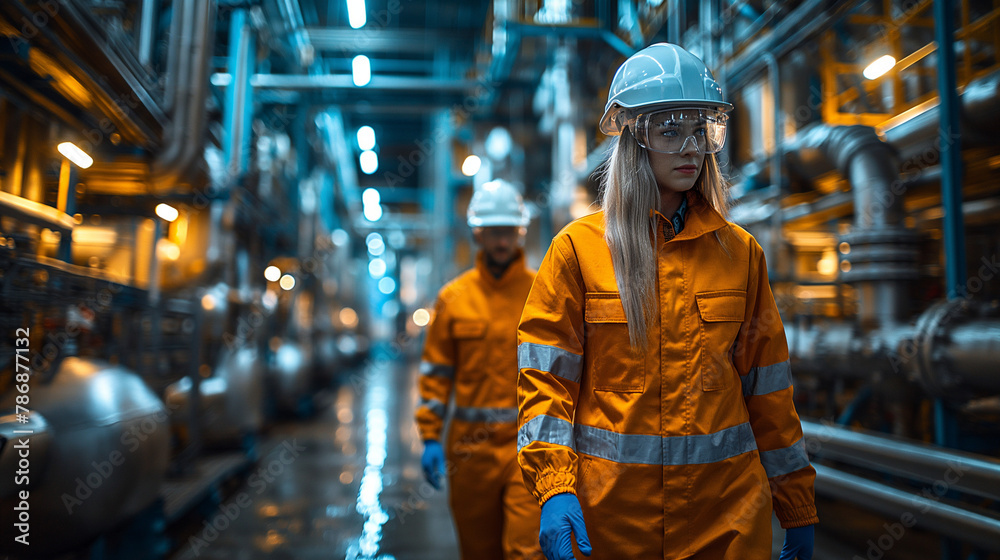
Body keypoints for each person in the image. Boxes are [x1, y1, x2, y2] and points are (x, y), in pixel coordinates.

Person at [515, 43, 818, 560]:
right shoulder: (577, 252)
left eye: (701, 131)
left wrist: (796, 502)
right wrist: (554, 486)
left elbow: (769, 391)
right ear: (634, 137)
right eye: (670, 130)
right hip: (612, 522)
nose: (690, 148)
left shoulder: (740, 253)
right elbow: (546, 382)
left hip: (725, 520)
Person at [416, 179, 544, 560]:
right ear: (477, 234)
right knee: (478, 551)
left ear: (520, 232)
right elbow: (437, 372)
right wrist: (430, 436)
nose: (502, 242)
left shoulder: (542, 292)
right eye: (494, 232)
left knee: (526, 550)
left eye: (508, 232)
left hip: (529, 444)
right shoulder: (453, 299)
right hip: (470, 449)